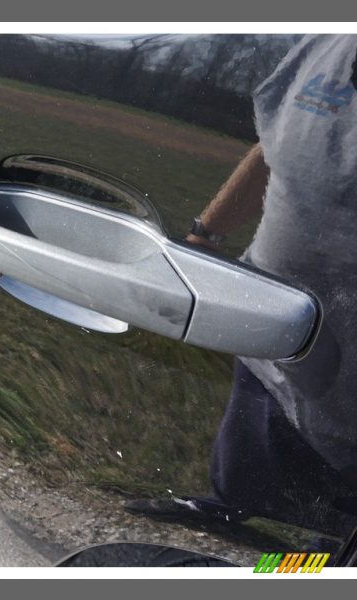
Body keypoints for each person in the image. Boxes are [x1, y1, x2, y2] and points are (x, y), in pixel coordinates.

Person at [129, 35, 357, 538]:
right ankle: (227, 515)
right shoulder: (328, 40)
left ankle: (304, 569)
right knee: (250, 446)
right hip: (271, 318)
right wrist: (205, 235)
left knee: (331, 531)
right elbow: (274, 141)